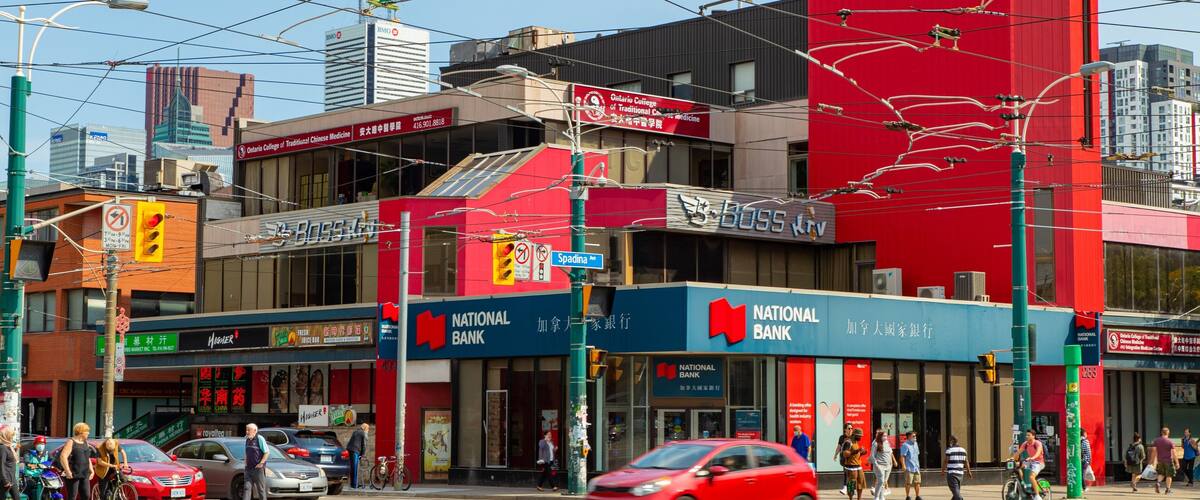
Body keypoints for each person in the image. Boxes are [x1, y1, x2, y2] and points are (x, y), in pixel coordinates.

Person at [60, 423, 93, 500]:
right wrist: (67, 471)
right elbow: (63, 456)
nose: (88, 433)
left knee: (86, 495)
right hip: (73, 473)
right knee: (72, 496)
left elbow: (87, 457)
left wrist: (91, 470)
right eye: (87, 431)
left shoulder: (86, 442)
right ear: (81, 432)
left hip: (84, 473)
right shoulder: (71, 442)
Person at [1011, 429, 1046, 500]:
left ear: (1033, 436)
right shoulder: (1025, 444)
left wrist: (1032, 458)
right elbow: (1018, 453)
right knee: (1018, 467)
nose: (1027, 436)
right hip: (1030, 461)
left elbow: (1038, 453)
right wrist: (1011, 458)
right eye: (1026, 435)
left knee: (1031, 477)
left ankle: (1037, 495)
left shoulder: (1037, 443)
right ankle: (1023, 484)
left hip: (1039, 462)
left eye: (1028, 435)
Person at [243, 424, 270, 500]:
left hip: (258, 469)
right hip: (248, 469)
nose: (246, 432)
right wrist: (245, 462)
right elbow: (246, 452)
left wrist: (261, 463)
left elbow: (267, 452)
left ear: (255, 430)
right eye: (246, 430)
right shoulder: (247, 439)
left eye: (248, 430)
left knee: (261, 490)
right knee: (246, 488)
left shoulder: (260, 438)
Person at [869, 429, 896, 500]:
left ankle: (881, 497)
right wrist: (876, 465)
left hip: (888, 466)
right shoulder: (875, 443)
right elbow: (872, 456)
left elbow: (890, 453)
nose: (885, 437)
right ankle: (876, 497)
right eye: (884, 436)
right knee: (880, 481)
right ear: (880, 436)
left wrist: (891, 463)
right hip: (879, 466)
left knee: (883, 482)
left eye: (886, 435)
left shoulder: (887, 443)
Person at [842, 428, 868, 500]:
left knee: (861, 483)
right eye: (859, 436)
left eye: (861, 436)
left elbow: (856, 455)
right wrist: (857, 451)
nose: (860, 437)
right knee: (851, 484)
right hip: (851, 466)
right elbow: (845, 454)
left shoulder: (856, 442)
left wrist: (862, 453)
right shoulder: (848, 442)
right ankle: (851, 498)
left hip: (858, 465)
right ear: (854, 435)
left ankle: (859, 499)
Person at [943, 435, 971, 500]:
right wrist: (968, 471)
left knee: (956, 493)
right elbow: (966, 461)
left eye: (950, 440)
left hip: (952, 474)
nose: (949, 442)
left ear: (952, 441)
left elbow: (945, 461)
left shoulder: (949, 450)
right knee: (956, 491)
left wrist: (943, 471)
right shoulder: (963, 450)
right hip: (960, 474)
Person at [24, 436, 52, 500]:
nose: (41, 445)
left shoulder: (48, 454)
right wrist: (43, 465)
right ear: (35, 445)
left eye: (42, 444)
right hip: (30, 477)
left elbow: (51, 463)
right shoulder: (28, 453)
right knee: (29, 493)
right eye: (38, 444)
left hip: (43, 477)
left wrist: (36, 466)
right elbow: (28, 464)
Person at [1152, 426, 1178, 494]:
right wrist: (1177, 462)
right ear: (1168, 433)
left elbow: (1154, 451)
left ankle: (1158, 483)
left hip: (1160, 461)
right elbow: (1174, 453)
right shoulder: (1170, 441)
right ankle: (1167, 490)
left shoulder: (1156, 441)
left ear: (1161, 433)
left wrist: (1152, 462)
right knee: (1169, 475)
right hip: (1168, 461)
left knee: (1161, 474)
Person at [899, 431, 921, 500]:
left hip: (916, 467)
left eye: (915, 436)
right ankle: (907, 496)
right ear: (908, 437)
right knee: (908, 483)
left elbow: (917, 454)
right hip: (909, 467)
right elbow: (902, 456)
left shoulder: (916, 444)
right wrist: (903, 466)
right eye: (913, 436)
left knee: (917, 482)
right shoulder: (905, 445)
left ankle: (917, 496)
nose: (915, 438)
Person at [345, 423, 368, 489]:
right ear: (365, 428)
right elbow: (363, 445)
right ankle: (354, 485)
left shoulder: (355, 431)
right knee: (355, 468)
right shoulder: (363, 433)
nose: (367, 431)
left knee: (352, 468)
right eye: (367, 429)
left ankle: (352, 484)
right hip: (355, 451)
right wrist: (362, 454)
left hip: (350, 450)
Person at [835, 424, 854, 496]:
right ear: (845, 429)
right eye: (849, 428)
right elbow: (839, 446)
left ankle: (850, 490)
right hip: (844, 458)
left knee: (851, 474)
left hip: (852, 459)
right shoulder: (842, 437)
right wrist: (835, 454)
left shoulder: (853, 437)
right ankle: (847, 489)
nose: (850, 430)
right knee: (847, 473)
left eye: (851, 428)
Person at [0, 427, 18, 500]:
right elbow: (1, 465)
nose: (12, 437)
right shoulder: (3, 448)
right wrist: (5, 481)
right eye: (11, 435)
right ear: (6, 435)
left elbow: (12, 460)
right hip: (5, 480)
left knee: (17, 498)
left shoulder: (8, 447)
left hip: (12, 479)